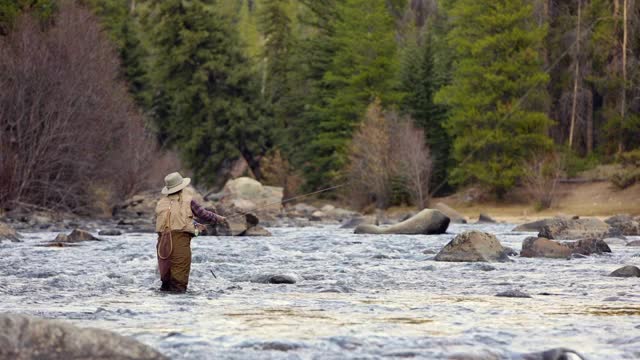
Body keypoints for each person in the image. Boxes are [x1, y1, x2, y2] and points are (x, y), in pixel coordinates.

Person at [155, 172, 227, 293]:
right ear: (181, 187)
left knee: (166, 277)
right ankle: (179, 307)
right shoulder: (188, 201)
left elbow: (172, 221)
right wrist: (219, 218)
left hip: (162, 242)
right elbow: (204, 214)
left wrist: (196, 227)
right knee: (179, 280)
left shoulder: (161, 203)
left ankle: (165, 306)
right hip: (179, 241)